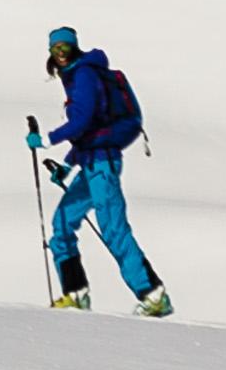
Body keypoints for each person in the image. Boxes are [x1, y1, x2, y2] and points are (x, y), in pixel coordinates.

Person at [37, 24, 169, 314]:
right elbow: (88, 133)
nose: (60, 53)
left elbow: (81, 123)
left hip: (103, 165)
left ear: (74, 47)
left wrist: (46, 140)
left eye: (64, 47)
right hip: (91, 163)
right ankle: (76, 294)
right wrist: (67, 167)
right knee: (62, 224)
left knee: (113, 230)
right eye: (55, 49)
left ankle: (154, 295)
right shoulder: (74, 76)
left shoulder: (83, 75)